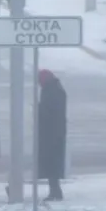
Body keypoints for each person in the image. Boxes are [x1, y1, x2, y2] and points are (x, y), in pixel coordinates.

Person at [36, 69, 68, 201]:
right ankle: (55, 191)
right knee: (52, 164)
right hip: (54, 132)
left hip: (52, 133)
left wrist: (39, 109)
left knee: (52, 163)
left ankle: (55, 192)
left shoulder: (52, 91)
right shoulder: (55, 89)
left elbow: (50, 111)